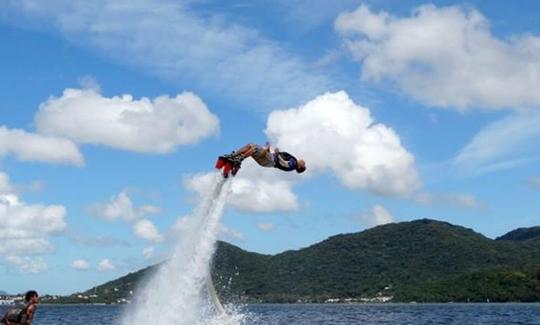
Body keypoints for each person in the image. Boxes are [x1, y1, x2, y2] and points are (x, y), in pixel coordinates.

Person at [233, 143, 306, 173]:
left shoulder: (293, 163)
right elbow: (271, 156)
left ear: (299, 167)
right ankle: (234, 156)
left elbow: (285, 164)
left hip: (270, 161)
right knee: (250, 146)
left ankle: (239, 158)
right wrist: (268, 149)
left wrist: (277, 154)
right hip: (268, 160)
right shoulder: (293, 162)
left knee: (254, 147)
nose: (303, 161)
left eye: (303, 164)